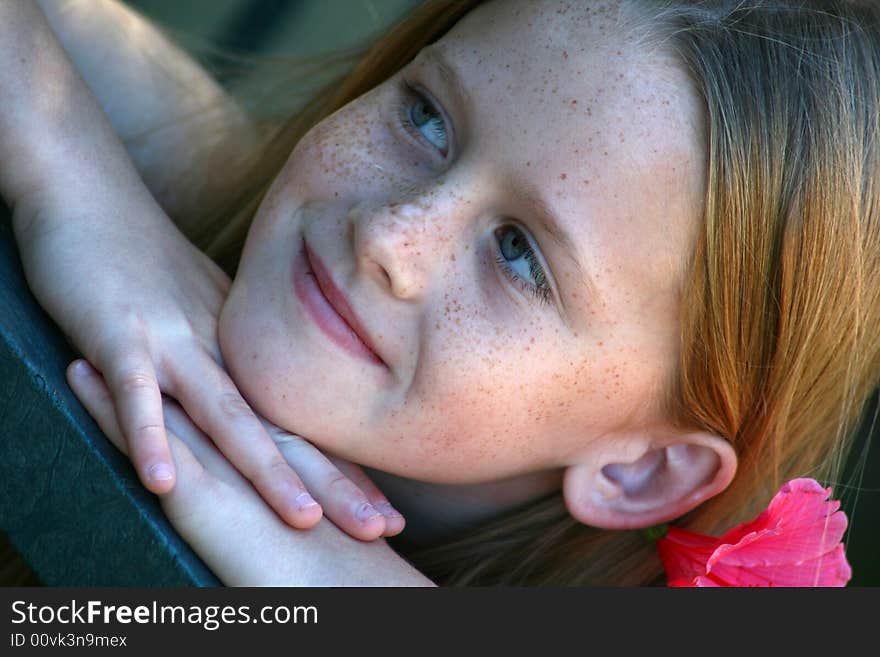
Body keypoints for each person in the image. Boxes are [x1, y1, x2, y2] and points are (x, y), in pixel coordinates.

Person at [3, 0, 878, 586]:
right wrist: (70, 170)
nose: (390, 236)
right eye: (427, 116)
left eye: (519, 253)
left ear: (641, 469)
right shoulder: (202, 180)